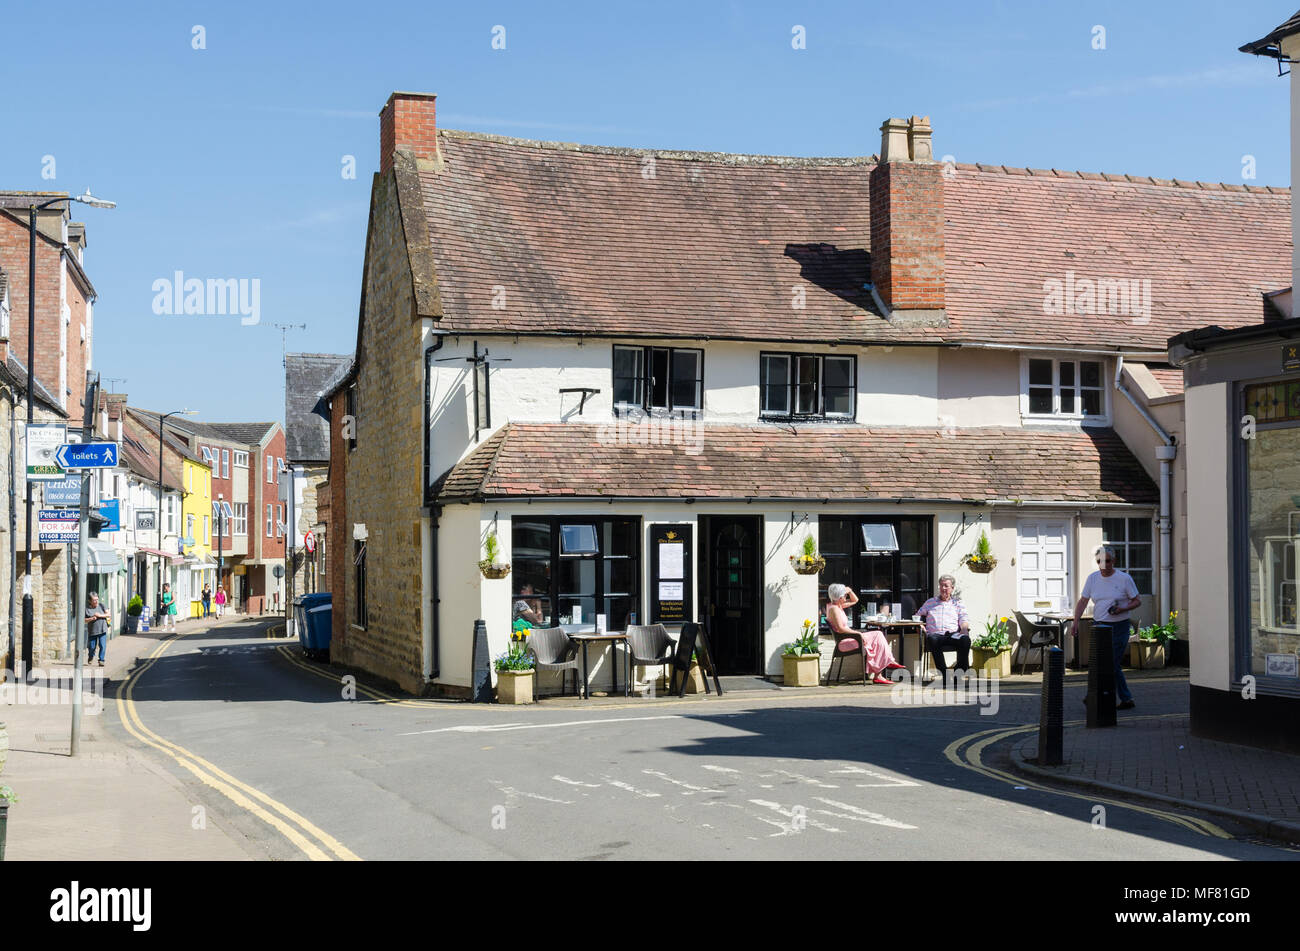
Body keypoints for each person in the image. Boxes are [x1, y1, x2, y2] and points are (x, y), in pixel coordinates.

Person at [1072, 545, 1142, 711]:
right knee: (1100, 663)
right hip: (1099, 626)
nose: (1104, 565)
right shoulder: (1093, 578)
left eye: (1107, 561)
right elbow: (1083, 601)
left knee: (1111, 663)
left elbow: (1137, 600)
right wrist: (1075, 622)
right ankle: (1125, 698)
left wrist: (1122, 609)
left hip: (1119, 627)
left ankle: (1096, 696)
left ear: (1114, 561)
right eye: (1099, 561)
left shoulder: (1124, 579)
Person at [825, 583, 905, 684]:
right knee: (878, 635)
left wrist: (849, 591)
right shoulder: (834, 609)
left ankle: (882, 670)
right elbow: (841, 629)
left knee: (878, 636)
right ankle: (885, 666)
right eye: (845, 595)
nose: (846, 597)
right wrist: (858, 633)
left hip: (849, 638)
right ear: (840, 597)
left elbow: (855, 600)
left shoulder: (837, 606)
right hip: (845, 642)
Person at [917, 574, 971, 681]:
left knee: (965, 640)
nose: (943, 588)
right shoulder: (930, 602)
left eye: (946, 586)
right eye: (941, 586)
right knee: (932, 639)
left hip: (953, 635)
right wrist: (921, 626)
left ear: (952, 588)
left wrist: (964, 630)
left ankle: (959, 672)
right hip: (936, 635)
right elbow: (917, 616)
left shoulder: (957, 603)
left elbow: (963, 619)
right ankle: (944, 673)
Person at [85, 592, 111, 667]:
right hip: (92, 631)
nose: (96, 601)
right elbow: (84, 620)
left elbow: (108, 614)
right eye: (94, 600)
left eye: (97, 599)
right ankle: (91, 656)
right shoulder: (87, 609)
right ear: (90, 601)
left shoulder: (102, 606)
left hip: (102, 629)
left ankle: (101, 660)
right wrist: (91, 618)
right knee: (92, 647)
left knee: (103, 646)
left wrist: (100, 615)